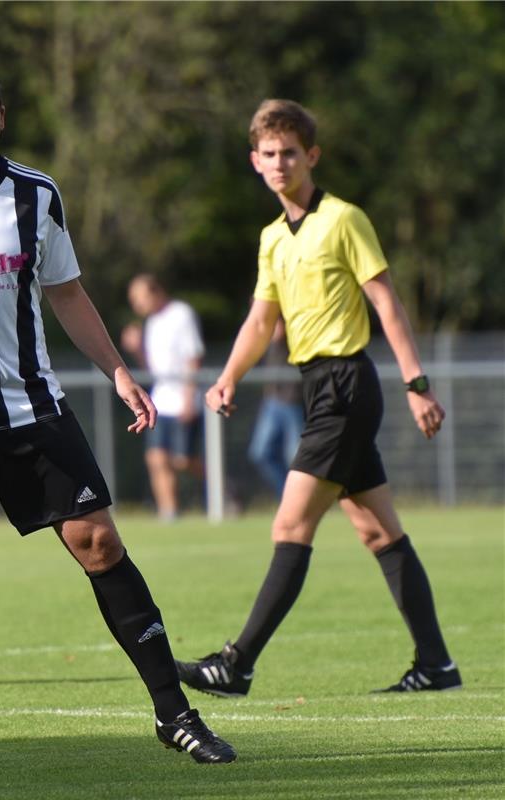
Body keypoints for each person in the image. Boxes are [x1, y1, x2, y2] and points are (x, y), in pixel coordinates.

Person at [0, 57, 235, 772]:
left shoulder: (37, 194)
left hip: (32, 409)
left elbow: (66, 294)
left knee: (99, 543)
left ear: (1, 115)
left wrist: (118, 372)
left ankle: (175, 714)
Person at [176, 98, 461, 697]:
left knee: (290, 522)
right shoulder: (272, 238)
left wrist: (417, 385)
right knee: (379, 533)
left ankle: (237, 663)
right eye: (269, 154)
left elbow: (386, 302)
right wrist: (227, 376)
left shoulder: (344, 219)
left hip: (347, 386)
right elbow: (260, 321)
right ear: (255, 161)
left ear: (312, 155)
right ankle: (437, 665)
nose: (280, 163)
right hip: (318, 388)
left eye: (290, 153)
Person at [121, 275, 205, 520]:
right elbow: (151, 369)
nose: (137, 305)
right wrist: (137, 349)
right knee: (156, 459)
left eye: (139, 298)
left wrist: (190, 397)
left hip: (183, 399)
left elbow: (193, 357)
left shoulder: (181, 314)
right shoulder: (151, 323)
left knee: (184, 461)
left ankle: (225, 493)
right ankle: (169, 513)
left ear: (156, 292)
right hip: (161, 401)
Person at [247, 315, 303, 499]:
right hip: (272, 402)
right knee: (261, 453)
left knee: (297, 458)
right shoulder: (266, 342)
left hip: (293, 402)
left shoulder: (293, 336)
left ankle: (302, 500)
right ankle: (288, 497)